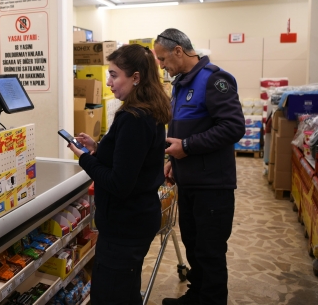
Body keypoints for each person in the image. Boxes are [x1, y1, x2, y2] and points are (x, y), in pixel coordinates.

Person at [67, 44, 171, 305]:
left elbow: (119, 182)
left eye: (114, 75)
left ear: (135, 77)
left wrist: (84, 159)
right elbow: (133, 158)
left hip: (125, 226)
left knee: (111, 294)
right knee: (124, 289)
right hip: (137, 219)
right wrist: (98, 148)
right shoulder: (148, 109)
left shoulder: (133, 117)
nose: (108, 82)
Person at [155, 28, 245, 305]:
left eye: (162, 59)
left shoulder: (214, 79)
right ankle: (198, 295)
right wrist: (173, 159)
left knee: (210, 250)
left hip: (212, 185)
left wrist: (188, 147)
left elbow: (233, 127)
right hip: (189, 181)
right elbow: (182, 129)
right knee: (193, 245)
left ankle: (212, 299)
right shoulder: (181, 83)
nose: (161, 65)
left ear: (178, 51)